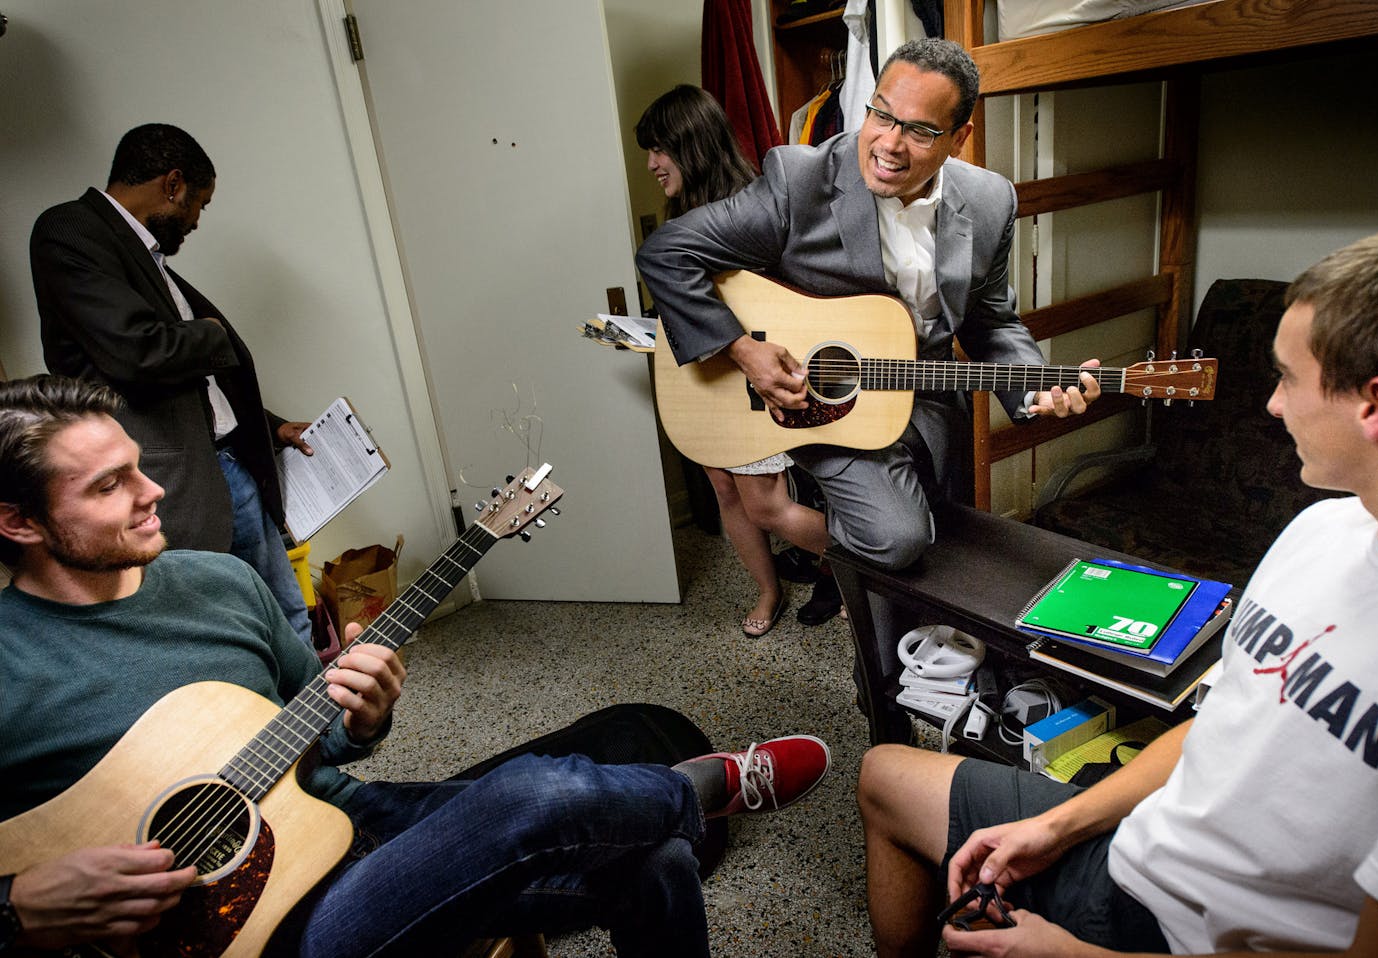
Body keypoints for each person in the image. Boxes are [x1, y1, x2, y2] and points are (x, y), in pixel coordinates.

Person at [0, 374, 832, 957]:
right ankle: (700, 786)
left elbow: (312, 734)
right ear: (19, 522)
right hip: (268, 930)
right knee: (538, 792)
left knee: (656, 858)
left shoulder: (215, 582)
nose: (152, 492)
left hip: (350, 825)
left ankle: (673, 806)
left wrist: (364, 717)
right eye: (109, 486)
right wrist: (18, 907)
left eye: (140, 465)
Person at [856, 226, 1378, 957]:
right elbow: (1219, 725)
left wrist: (1072, 955)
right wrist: (1059, 825)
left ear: (1376, 403)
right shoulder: (1319, 529)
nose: (1272, 408)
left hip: (1188, 938)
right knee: (882, 774)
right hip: (1142, 848)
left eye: (1286, 378)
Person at [636, 39, 1100, 705]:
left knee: (956, 551)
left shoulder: (991, 200)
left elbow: (992, 320)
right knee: (897, 536)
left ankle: (957, 678)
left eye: (919, 129)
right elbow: (667, 252)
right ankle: (878, 679)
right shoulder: (798, 179)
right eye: (881, 114)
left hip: (932, 404)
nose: (888, 142)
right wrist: (741, 348)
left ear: (960, 135)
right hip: (824, 407)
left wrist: (1034, 389)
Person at [30, 122, 316, 644]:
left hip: (228, 467)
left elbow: (191, 380)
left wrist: (269, 427)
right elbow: (140, 351)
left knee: (288, 621)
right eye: (199, 204)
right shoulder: (70, 231)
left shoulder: (147, 259)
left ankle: (314, 725)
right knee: (219, 634)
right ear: (172, 184)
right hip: (177, 483)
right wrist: (210, 332)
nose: (196, 221)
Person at [637, 84, 837, 635]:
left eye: (659, 149)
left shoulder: (754, 207)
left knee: (766, 506)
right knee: (724, 490)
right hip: (702, 378)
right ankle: (768, 589)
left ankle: (872, 565)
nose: (652, 164)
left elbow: (775, 306)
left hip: (750, 382)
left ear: (692, 144)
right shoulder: (681, 212)